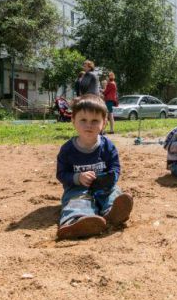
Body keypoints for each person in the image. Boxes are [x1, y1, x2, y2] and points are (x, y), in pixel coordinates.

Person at [56, 94, 133, 240]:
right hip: (77, 187)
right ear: (73, 121)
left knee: (113, 193)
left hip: (103, 186)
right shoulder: (67, 150)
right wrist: (78, 178)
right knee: (78, 200)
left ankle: (112, 213)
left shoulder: (108, 146)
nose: (89, 125)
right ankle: (77, 222)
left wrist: (109, 178)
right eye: (83, 120)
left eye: (95, 121)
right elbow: (61, 174)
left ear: (104, 122)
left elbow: (115, 167)